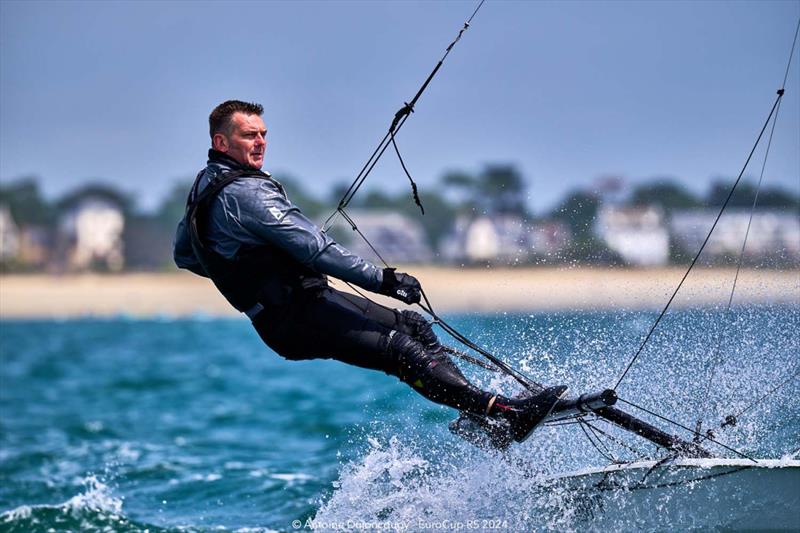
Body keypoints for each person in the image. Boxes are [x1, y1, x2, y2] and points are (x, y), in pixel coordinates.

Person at [173, 100, 567, 445]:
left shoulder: (203, 191)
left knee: (414, 328)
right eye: (248, 135)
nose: (259, 142)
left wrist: (250, 270)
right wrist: (384, 281)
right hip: (295, 316)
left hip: (298, 308)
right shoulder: (245, 193)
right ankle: (507, 414)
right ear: (220, 142)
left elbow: (186, 255)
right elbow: (316, 249)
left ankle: (483, 417)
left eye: (263, 134)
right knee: (401, 350)